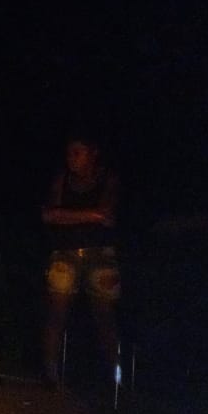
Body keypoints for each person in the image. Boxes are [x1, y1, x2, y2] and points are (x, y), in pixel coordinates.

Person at [40, 131, 121, 389]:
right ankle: (51, 375)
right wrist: (93, 215)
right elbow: (49, 215)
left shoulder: (108, 180)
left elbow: (107, 214)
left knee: (105, 318)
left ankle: (115, 378)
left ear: (92, 153)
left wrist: (67, 215)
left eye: (78, 153)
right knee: (56, 314)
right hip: (65, 254)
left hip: (100, 255)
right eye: (69, 153)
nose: (71, 159)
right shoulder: (62, 180)